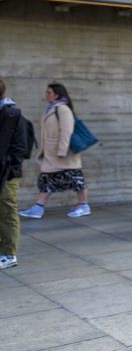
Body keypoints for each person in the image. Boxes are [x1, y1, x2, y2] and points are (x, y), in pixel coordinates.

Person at [18, 83, 90, 219]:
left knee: (75, 178)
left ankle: (84, 205)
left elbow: (67, 131)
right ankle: (38, 207)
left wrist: (62, 151)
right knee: (47, 179)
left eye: (49, 92)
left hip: (63, 153)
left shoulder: (62, 109)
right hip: (52, 153)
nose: (46, 95)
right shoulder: (50, 109)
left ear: (57, 95)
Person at [1, 78, 32, 269]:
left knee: (6, 211)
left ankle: (8, 253)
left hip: (6, 173)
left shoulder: (12, 115)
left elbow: (20, 148)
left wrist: (9, 168)